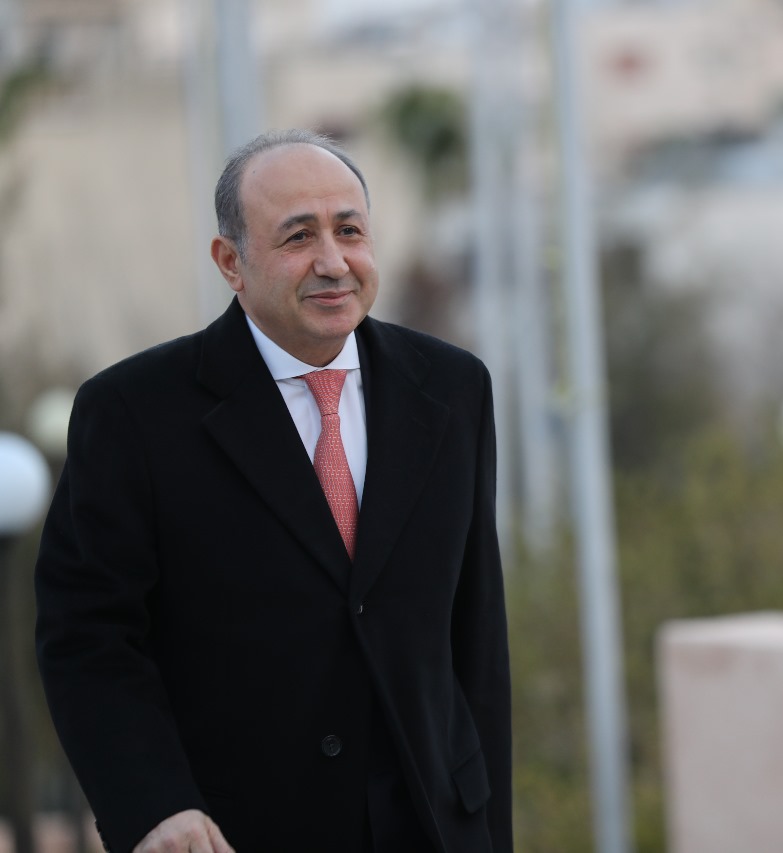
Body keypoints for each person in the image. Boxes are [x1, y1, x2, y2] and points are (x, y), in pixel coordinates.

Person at [34, 129, 511, 853]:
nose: (333, 262)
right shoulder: (134, 412)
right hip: (232, 833)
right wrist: (155, 805)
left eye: (349, 230)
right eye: (298, 236)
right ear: (231, 261)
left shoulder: (453, 389)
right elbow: (87, 638)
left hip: (434, 828)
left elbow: (476, 640)